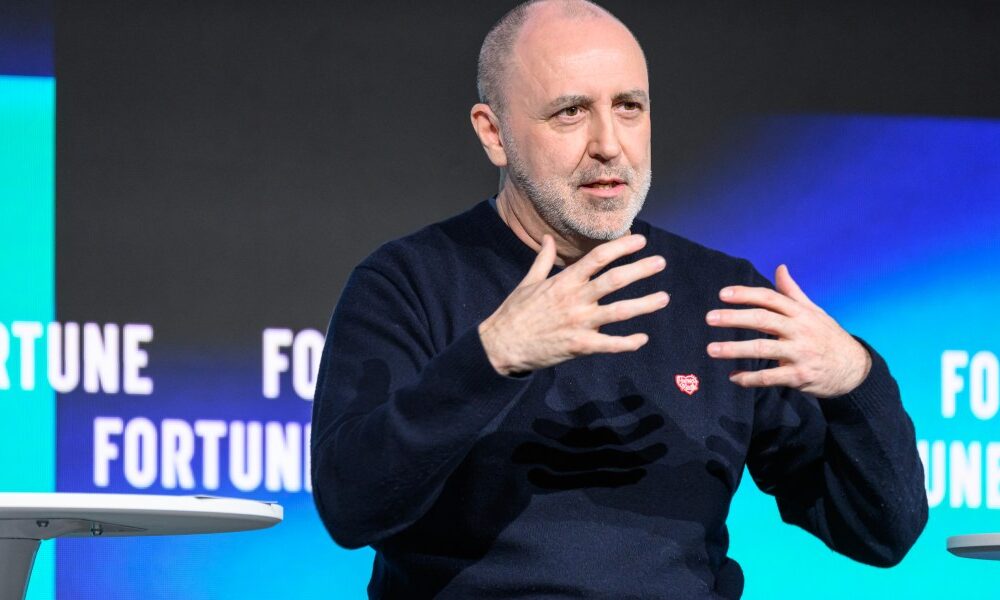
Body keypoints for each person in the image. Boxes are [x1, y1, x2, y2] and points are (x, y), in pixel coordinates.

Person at [310, 1, 928, 597]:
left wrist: (855, 379)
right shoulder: (408, 284)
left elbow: (882, 533)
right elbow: (351, 506)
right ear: (494, 133)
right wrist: (492, 356)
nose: (609, 143)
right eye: (570, 112)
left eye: (629, 107)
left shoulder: (722, 298)